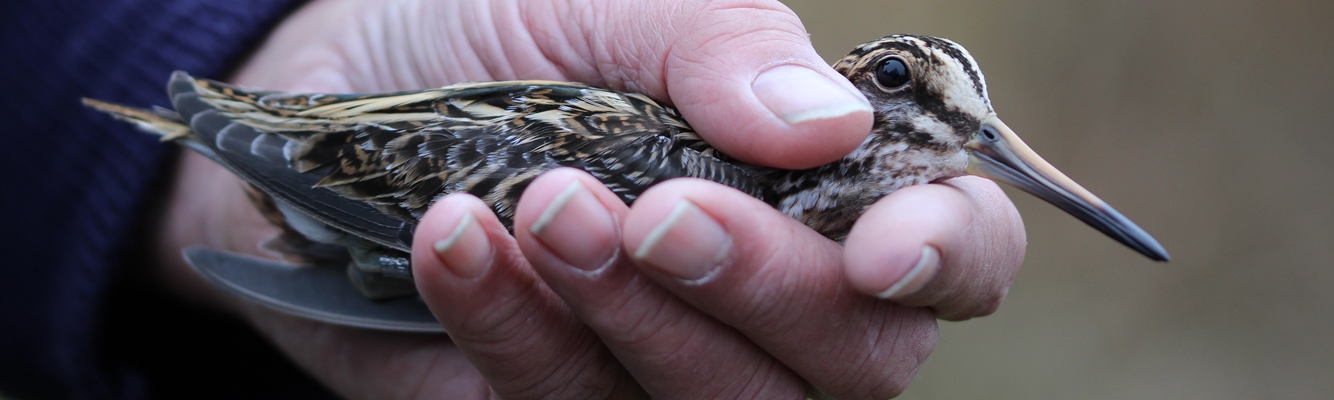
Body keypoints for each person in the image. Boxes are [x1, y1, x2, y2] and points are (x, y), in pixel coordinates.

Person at [1, 0, 1027, 398]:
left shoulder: (821, 216)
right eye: (906, 83)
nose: (971, 145)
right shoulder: (695, 163)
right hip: (356, 171)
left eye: (975, 124)